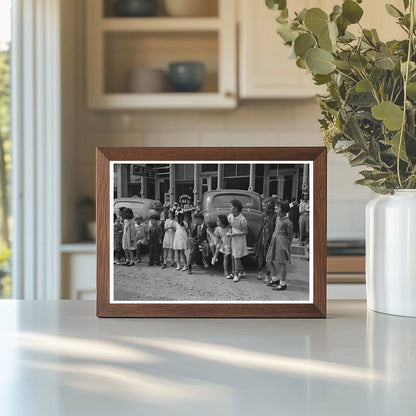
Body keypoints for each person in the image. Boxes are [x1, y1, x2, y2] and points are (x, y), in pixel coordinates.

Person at [266, 201, 293, 291]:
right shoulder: (278, 218)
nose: (275, 210)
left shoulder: (287, 222)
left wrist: (286, 246)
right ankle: (275, 279)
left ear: (283, 210)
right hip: (274, 240)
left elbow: (290, 236)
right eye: (275, 208)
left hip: (282, 242)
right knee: (269, 259)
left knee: (281, 263)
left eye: (277, 209)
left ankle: (283, 283)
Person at [254, 197, 277, 282]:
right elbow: (261, 226)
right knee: (260, 255)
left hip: (270, 238)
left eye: (264, 205)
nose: (263, 207)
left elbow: (275, 228)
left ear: (269, 206)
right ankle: (259, 270)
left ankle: (268, 274)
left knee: (268, 257)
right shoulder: (263, 214)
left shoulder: (275, 216)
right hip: (262, 236)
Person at [227, 199, 248, 282]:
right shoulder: (230, 216)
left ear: (236, 208)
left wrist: (235, 234)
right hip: (233, 238)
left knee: (237, 256)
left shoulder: (242, 219)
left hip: (239, 239)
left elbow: (246, 232)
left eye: (231, 207)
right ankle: (240, 271)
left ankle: (236, 274)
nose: (230, 208)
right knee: (233, 255)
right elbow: (229, 226)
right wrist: (229, 232)